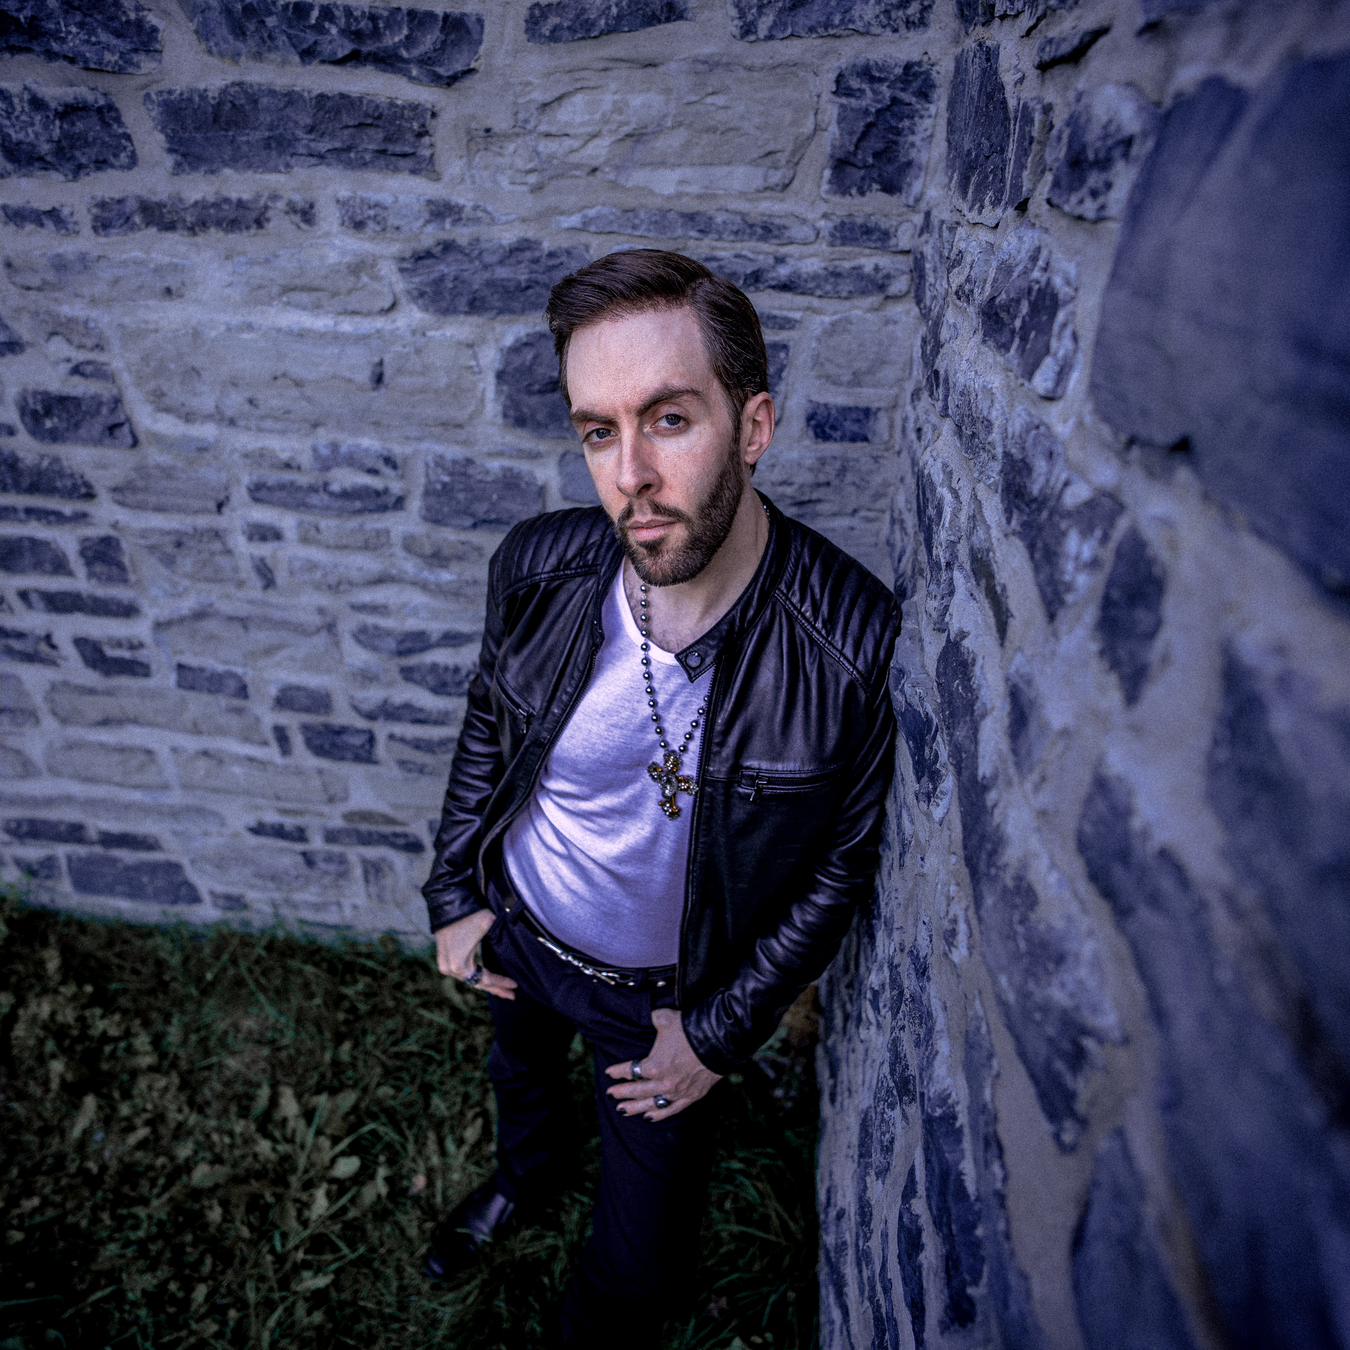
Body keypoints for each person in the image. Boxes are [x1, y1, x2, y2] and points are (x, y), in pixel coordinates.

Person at [420, 249, 900, 1345]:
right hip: (524, 931)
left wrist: (721, 1037)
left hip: (664, 1007)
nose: (629, 473)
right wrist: (457, 890)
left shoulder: (852, 644)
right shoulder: (540, 567)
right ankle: (525, 1180)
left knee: (639, 1278)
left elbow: (841, 867)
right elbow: (490, 724)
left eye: (670, 420)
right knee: (523, 1080)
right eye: (599, 430)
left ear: (756, 425)